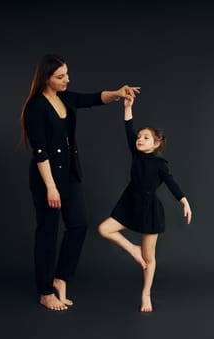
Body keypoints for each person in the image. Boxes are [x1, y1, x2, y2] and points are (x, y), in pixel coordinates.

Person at [20, 53, 140, 311]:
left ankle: (60, 278)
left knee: (79, 225)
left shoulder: (64, 97)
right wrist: (51, 187)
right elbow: (39, 151)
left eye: (67, 74)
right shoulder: (35, 107)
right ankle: (44, 291)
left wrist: (118, 93)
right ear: (46, 79)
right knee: (48, 233)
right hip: (47, 178)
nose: (67, 80)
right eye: (60, 76)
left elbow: (93, 99)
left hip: (70, 173)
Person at [98, 92, 192, 313]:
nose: (140, 139)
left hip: (150, 210)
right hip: (130, 203)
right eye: (139, 137)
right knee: (105, 229)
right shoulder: (136, 154)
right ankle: (133, 249)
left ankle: (146, 294)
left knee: (149, 258)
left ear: (157, 143)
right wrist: (127, 107)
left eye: (146, 137)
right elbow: (128, 130)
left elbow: (171, 183)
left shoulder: (160, 164)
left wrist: (184, 201)